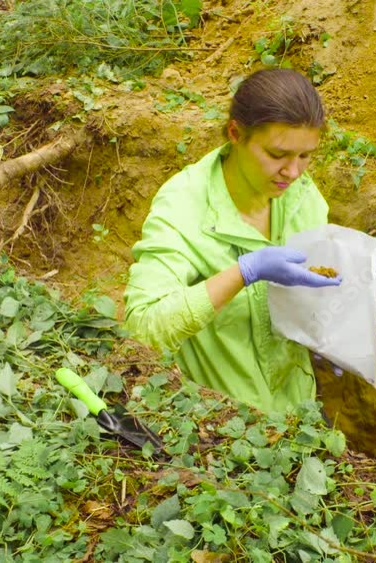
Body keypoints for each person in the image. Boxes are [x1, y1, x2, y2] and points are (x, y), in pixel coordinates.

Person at [122, 68, 341, 414]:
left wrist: (325, 335)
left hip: (298, 416)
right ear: (236, 133)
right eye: (277, 154)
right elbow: (143, 329)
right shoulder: (184, 205)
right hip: (224, 431)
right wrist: (242, 273)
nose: (293, 172)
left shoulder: (303, 197)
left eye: (305, 156)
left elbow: (311, 295)